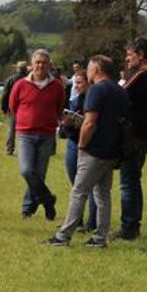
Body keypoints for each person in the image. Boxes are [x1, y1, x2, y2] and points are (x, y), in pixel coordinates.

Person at [48, 56, 131, 247]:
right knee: (103, 195)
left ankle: (63, 235)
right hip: (113, 151)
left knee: (79, 192)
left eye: (89, 68)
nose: (87, 72)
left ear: (97, 69)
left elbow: (89, 123)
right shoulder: (121, 91)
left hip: (94, 150)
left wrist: (82, 146)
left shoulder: (97, 90)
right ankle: (100, 237)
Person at [10, 49, 65, 220]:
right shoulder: (20, 85)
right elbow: (13, 106)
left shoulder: (57, 86)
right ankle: (48, 200)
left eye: (44, 62)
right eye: (37, 62)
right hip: (26, 133)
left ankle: (28, 208)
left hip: (47, 134)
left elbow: (60, 107)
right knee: (26, 170)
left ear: (49, 65)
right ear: (31, 65)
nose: (40, 65)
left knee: (39, 174)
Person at [114, 37, 147, 241]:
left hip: (134, 135)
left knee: (128, 181)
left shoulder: (141, 76)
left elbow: (119, 94)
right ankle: (132, 224)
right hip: (146, 135)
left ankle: (129, 226)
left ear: (141, 55)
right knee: (133, 179)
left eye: (130, 55)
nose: (127, 59)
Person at [62, 71, 97, 233]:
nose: (76, 86)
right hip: (72, 143)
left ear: (89, 83)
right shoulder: (75, 101)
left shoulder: (95, 100)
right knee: (75, 184)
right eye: (75, 83)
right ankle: (78, 220)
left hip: (89, 146)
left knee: (90, 186)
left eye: (80, 83)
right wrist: (67, 123)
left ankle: (92, 222)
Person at [1, 61, 29, 155]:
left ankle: (10, 149)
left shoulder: (10, 79)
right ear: (25, 69)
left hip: (12, 107)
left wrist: (4, 108)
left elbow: (5, 95)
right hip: (27, 108)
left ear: (17, 69)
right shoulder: (29, 79)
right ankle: (25, 150)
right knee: (25, 130)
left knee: (11, 129)